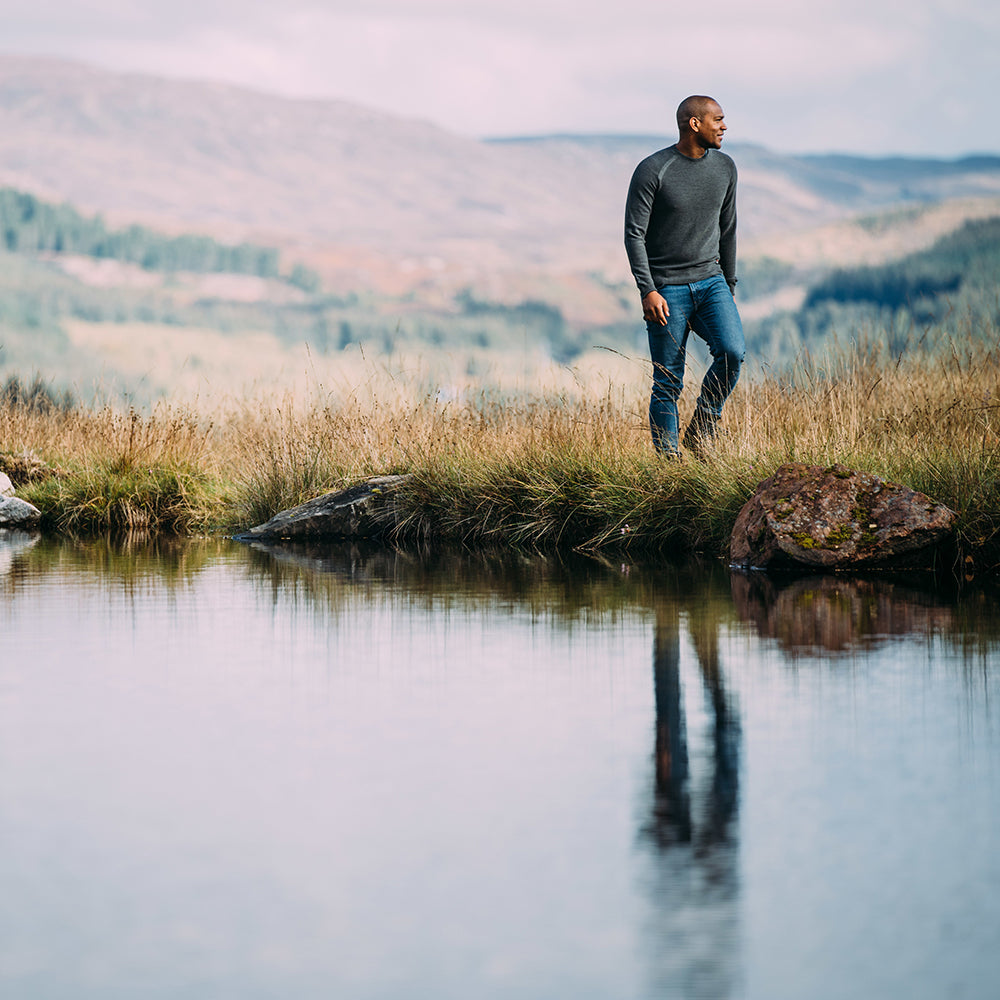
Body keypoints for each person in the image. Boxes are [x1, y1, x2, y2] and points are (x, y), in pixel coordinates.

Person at [624, 95, 744, 456]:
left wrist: (729, 285)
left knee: (732, 352)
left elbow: (728, 230)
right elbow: (634, 234)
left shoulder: (725, 167)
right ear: (695, 124)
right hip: (666, 290)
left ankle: (703, 427)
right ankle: (670, 468)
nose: (724, 126)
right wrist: (648, 290)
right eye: (718, 119)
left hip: (712, 283)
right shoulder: (653, 169)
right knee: (667, 382)